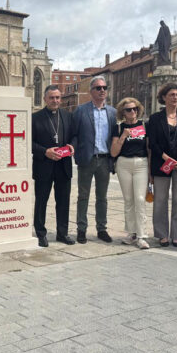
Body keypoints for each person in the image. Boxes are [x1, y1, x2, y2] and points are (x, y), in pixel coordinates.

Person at [147, 83, 177, 247]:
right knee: (160, 200)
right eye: (171, 95)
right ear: (163, 97)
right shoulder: (155, 119)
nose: (175, 97)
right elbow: (152, 142)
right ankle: (162, 234)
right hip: (162, 163)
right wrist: (165, 156)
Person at [71, 75, 117, 244]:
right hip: (87, 160)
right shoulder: (81, 111)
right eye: (98, 88)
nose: (102, 90)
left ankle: (101, 229)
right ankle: (81, 229)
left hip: (104, 160)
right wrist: (75, 152)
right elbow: (74, 134)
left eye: (104, 87)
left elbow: (114, 136)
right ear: (91, 91)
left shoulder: (112, 112)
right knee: (83, 196)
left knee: (102, 197)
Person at [32, 85, 75, 247]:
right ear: (45, 99)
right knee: (41, 200)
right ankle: (40, 233)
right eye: (52, 97)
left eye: (58, 97)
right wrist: (45, 151)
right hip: (44, 165)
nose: (55, 100)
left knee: (63, 201)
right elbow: (29, 142)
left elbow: (75, 136)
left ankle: (62, 233)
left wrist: (72, 146)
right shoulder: (35, 118)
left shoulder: (68, 116)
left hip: (63, 165)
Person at [110, 97, 150, 249]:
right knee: (128, 200)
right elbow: (113, 153)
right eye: (128, 109)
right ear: (123, 112)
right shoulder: (118, 128)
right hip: (123, 164)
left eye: (134, 109)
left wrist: (151, 172)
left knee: (140, 199)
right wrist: (123, 136)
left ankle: (141, 235)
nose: (132, 112)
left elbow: (149, 148)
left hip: (141, 163)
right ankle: (131, 233)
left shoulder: (145, 125)